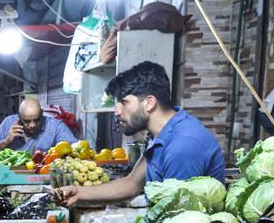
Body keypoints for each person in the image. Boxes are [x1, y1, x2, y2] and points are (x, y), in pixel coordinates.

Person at [53, 61, 224, 207]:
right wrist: (79, 192)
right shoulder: (161, 134)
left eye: (124, 102)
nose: (117, 111)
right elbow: (131, 183)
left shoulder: (183, 145)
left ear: (149, 103)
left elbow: (181, 221)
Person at [0, 97, 76, 154]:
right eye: (27, 121)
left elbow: (75, 149)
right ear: (19, 116)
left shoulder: (56, 126)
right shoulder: (8, 122)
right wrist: (7, 140)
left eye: (37, 120)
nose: (32, 125)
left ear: (41, 113)